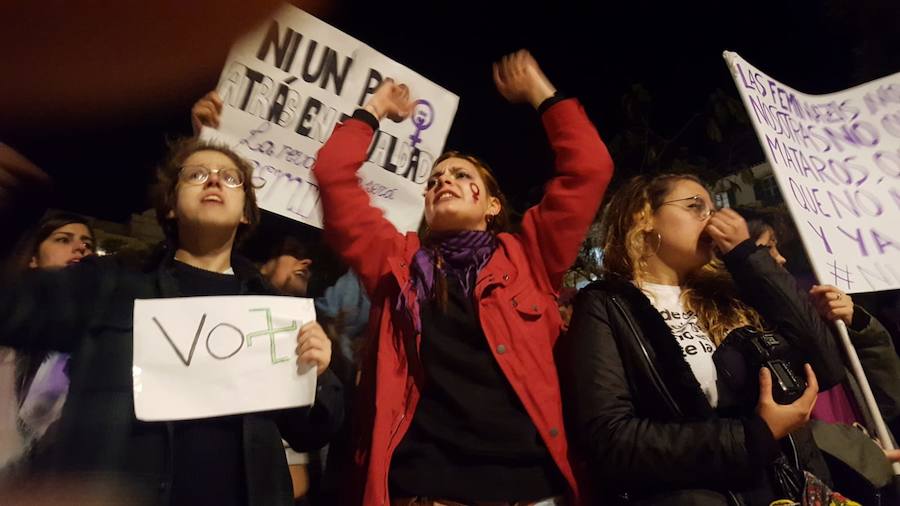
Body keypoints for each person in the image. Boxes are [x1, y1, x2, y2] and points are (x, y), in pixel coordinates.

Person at [312, 49, 613, 505]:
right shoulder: (394, 261)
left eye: (460, 174)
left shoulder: (530, 256)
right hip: (426, 492)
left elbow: (590, 168)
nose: (442, 181)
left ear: (492, 205)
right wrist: (374, 110)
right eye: (434, 180)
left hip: (531, 492)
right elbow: (333, 175)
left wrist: (540, 93)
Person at [0, 138, 343, 505]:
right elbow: (13, 308)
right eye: (196, 174)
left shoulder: (276, 312)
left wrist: (318, 374)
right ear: (171, 207)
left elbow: (313, 431)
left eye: (230, 178)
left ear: (246, 212)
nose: (213, 181)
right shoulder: (108, 284)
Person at [560, 174, 850, 505]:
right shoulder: (608, 305)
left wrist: (746, 256)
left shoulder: (730, 290)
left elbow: (825, 367)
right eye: (695, 206)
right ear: (643, 218)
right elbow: (612, 439)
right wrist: (752, 436)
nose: (710, 219)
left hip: (786, 488)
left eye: (712, 209)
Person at [742, 208, 900, 502]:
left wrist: (857, 323)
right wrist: (860, 450)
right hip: (833, 471)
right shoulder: (743, 325)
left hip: (871, 450)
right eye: (766, 248)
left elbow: (887, 392)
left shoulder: (809, 300)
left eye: (777, 246)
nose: (780, 258)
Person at [0, 213, 96, 471]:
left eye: (87, 244)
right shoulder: (10, 320)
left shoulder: (94, 336)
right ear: (32, 257)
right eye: (63, 240)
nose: (80, 248)